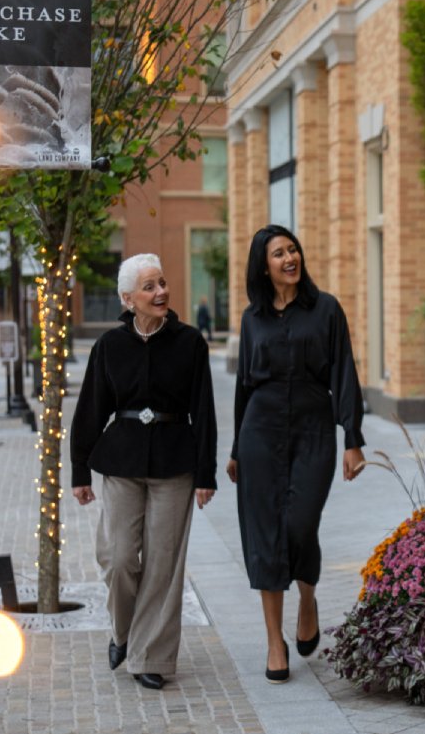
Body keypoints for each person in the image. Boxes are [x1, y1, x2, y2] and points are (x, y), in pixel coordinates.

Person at [70, 253, 217, 691]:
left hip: (176, 463)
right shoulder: (109, 347)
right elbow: (91, 409)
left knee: (163, 565)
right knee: (117, 558)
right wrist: (79, 469)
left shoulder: (191, 343)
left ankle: (149, 656)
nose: (161, 293)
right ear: (128, 299)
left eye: (163, 283)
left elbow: (204, 412)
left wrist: (206, 473)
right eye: (150, 287)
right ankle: (123, 631)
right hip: (122, 461)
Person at [227, 224, 365, 685]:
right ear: (263, 268)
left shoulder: (324, 310)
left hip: (312, 428)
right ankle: (274, 642)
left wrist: (353, 438)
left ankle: (307, 599)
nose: (289, 258)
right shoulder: (253, 319)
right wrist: (234, 450)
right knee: (265, 534)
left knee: (300, 524)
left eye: (292, 249)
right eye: (278, 254)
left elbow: (343, 372)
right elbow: (244, 386)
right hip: (259, 433)